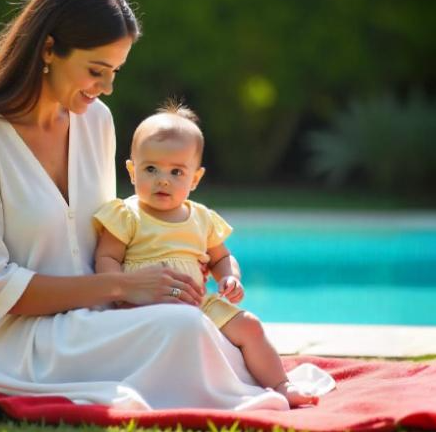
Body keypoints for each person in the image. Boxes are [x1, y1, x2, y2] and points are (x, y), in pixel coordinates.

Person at [0, 0, 332, 411]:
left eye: (114, 71)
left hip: (93, 323)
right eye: (96, 70)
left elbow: (108, 236)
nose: (108, 87)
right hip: (8, 345)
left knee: (200, 323)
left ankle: (257, 381)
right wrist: (121, 288)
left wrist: (160, 277)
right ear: (49, 49)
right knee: (182, 331)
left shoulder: (96, 122)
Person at [92, 102, 319, 406]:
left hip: (197, 300)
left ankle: (281, 385)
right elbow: (107, 257)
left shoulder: (202, 218)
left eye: (176, 172)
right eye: (150, 169)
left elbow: (221, 258)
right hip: (144, 303)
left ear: (194, 179)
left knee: (250, 326)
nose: (163, 179)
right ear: (132, 170)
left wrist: (229, 277)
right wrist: (121, 289)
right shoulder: (127, 214)